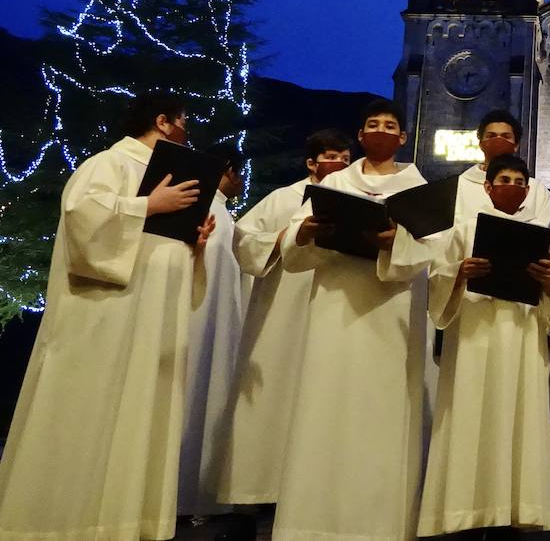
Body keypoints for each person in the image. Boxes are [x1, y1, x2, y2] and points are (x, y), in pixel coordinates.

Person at [0, 91, 215, 541]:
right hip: (104, 321)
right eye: (185, 120)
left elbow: (158, 248)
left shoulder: (171, 176)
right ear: (163, 122)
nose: (189, 130)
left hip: (151, 322)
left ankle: (127, 523)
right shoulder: (111, 164)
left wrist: (192, 244)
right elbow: (82, 217)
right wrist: (147, 205)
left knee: (140, 418)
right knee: (89, 416)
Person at [271, 99, 435, 541]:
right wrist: (302, 234)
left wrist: (394, 243)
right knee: (326, 405)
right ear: (360, 135)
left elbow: (433, 250)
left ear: (402, 138)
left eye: (390, 126)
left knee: (383, 415)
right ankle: (311, 522)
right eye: (371, 125)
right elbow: (296, 245)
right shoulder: (337, 181)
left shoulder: (419, 187)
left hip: (392, 311)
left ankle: (380, 524)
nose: (380, 131)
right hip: (335, 307)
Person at [414, 154, 550, 536]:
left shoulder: (540, 236)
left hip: (521, 337)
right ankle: (464, 512)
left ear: (528, 191)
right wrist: (459, 273)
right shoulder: (464, 228)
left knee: (517, 420)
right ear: (487, 186)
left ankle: (512, 511)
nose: (511, 186)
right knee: (471, 417)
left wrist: (547, 283)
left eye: (519, 181)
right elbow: (438, 284)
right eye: (504, 179)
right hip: (475, 339)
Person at [217, 129, 352, 520]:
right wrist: (288, 238)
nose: (340, 165)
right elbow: (242, 239)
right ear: (311, 163)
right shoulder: (284, 199)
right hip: (283, 312)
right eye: (331, 157)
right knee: (271, 404)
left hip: (333, 313)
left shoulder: (357, 203)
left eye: (345, 158)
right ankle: (252, 500)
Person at [178, 147, 251, 519]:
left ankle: (198, 494)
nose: (239, 181)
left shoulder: (222, 210)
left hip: (217, 320)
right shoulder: (206, 208)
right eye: (236, 172)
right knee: (192, 400)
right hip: (199, 319)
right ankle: (187, 496)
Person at [455, 108, 550, 225]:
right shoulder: (459, 186)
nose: (498, 141)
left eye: (505, 136)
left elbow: (543, 234)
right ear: (480, 144)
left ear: (516, 145)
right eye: (491, 136)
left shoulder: (537, 190)